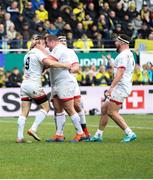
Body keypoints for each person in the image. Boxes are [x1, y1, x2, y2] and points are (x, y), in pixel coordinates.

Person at [16, 35, 71, 143]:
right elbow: (49, 63)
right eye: (44, 44)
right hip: (34, 85)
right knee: (46, 108)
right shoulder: (38, 52)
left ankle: (19, 137)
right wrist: (64, 65)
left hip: (24, 85)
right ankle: (33, 129)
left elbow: (40, 67)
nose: (45, 46)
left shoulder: (27, 55)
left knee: (24, 112)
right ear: (40, 44)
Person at [87, 34, 137, 142]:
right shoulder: (129, 54)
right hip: (123, 86)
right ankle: (98, 135)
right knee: (104, 108)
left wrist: (111, 88)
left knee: (112, 112)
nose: (115, 43)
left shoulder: (123, 55)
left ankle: (130, 133)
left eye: (117, 41)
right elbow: (118, 69)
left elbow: (120, 73)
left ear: (122, 43)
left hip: (121, 87)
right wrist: (110, 60)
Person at [46, 35, 90, 142]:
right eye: (61, 41)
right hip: (56, 82)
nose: (63, 43)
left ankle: (83, 132)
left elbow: (75, 66)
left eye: (64, 41)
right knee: (57, 107)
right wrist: (64, 65)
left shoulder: (65, 50)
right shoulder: (52, 50)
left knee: (74, 106)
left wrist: (69, 69)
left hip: (67, 82)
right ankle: (59, 134)